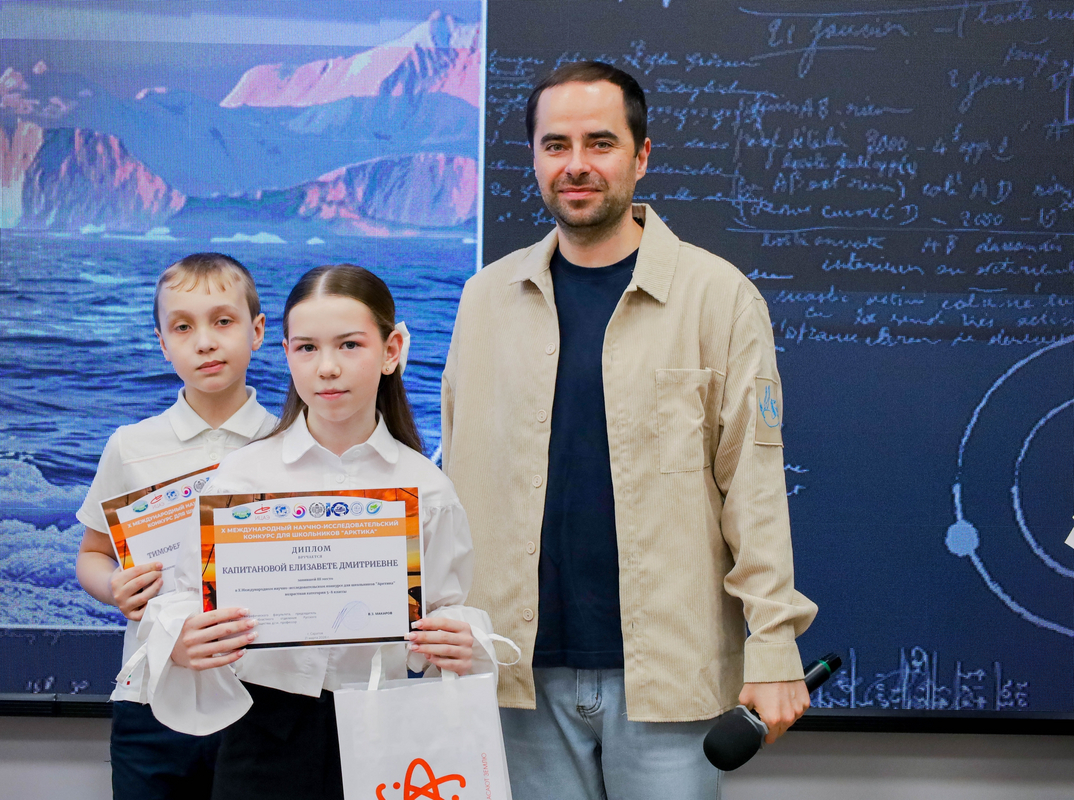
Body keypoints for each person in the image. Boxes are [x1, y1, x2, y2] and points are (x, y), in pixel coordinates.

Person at [441, 61, 818, 800]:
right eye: (555, 145)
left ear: (641, 156)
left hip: (669, 679)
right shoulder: (483, 301)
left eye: (601, 143)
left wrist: (774, 642)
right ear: (534, 158)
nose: (576, 164)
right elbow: (453, 483)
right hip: (516, 676)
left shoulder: (719, 298)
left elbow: (754, 489)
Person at [139, 264, 499, 800]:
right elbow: (188, 597)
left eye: (350, 345)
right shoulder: (242, 479)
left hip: (389, 731)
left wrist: (461, 640)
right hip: (262, 733)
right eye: (307, 348)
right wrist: (181, 639)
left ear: (392, 350)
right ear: (286, 353)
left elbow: (446, 611)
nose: (327, 368)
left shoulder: (428, 489)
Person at [75, 252, 277, 800]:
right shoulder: (130, 446)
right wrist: (112, 586)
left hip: (262, 699)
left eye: (223, 321)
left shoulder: (290, 442)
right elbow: (92, 555)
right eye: (183, 327)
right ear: (163, 344)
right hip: (151, 698)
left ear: (257, 331)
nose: (204, 342)